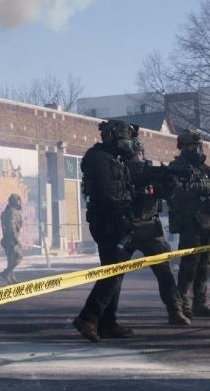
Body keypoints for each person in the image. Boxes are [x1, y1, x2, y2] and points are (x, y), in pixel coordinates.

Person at [73, 119, 139, 342]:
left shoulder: (114, 159)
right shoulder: (99, 159)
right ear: (112, 138)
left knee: (115, 273)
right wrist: (124, 217)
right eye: (123, 140)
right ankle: (88, 318)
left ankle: (108, 323)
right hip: (108, 222)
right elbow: (108, 195)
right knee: (112, 274)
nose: (127, 145)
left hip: (115, 220)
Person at [124, 138, 191, 325]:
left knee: (165, 274)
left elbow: (167, 194)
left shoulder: (150, 172)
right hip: (126, 229)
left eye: (139, 154)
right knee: (113, 276)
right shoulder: (120, 174)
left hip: (149, 229)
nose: (138, 158)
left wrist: (169, 182)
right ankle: (103, 317)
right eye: (135, 154)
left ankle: (175, 311)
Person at [166, 130, 210, 319]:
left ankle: (201, 302)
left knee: (206, 263)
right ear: (182, 147)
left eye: (198, 146)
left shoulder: (203, 168)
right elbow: (176, 192)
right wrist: (202, 186)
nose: (196, 150)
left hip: (206, 220)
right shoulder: (175, 167)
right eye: (192, 146)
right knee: (190, 264)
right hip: (188, 220)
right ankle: (185, 304)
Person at [0, 194, 24, 282]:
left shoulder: (8, 211)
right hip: (11, 239)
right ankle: (6, 273)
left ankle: (11, 278)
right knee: (19, 256)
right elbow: (11, 226)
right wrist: (15, 238)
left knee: (11, 259)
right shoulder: (12, 212)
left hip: (8, 238)